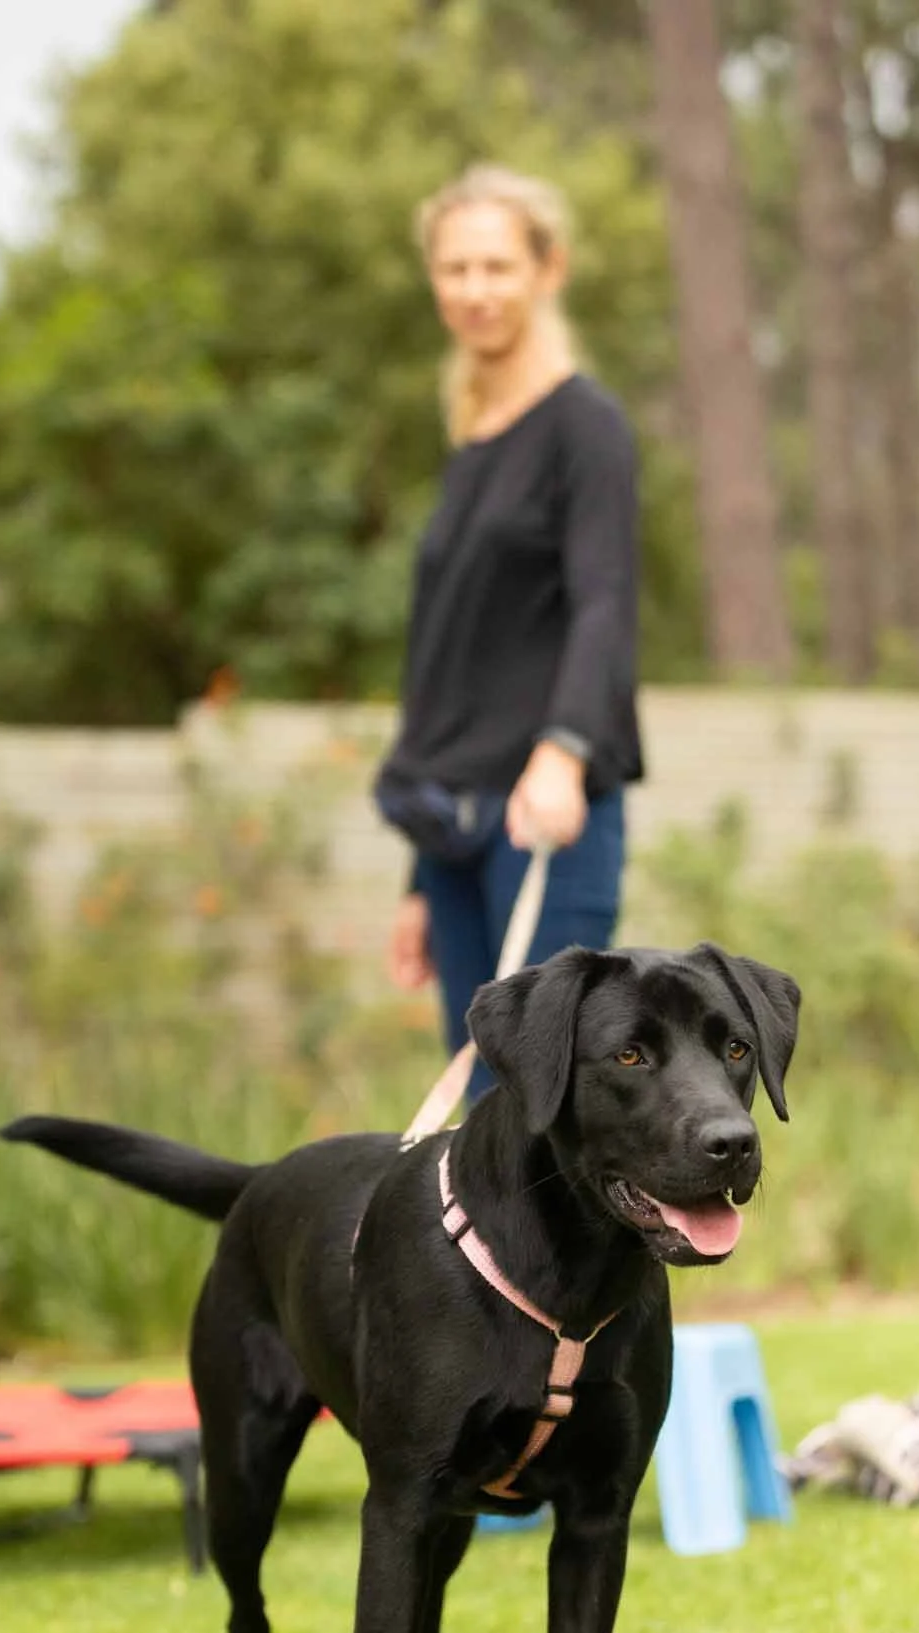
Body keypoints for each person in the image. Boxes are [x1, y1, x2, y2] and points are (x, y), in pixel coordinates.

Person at [376, 162, 643, 1098]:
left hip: (543, 812)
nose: (475, 290)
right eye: (455, 270)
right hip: (450, 819)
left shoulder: (586, 428)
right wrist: (418, 874)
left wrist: (564, 751)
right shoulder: (472, 444)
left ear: (546, 270)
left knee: (529, 1098)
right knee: (478, 1108)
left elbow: (603, 602)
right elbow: (450, 666)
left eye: (496, 266)